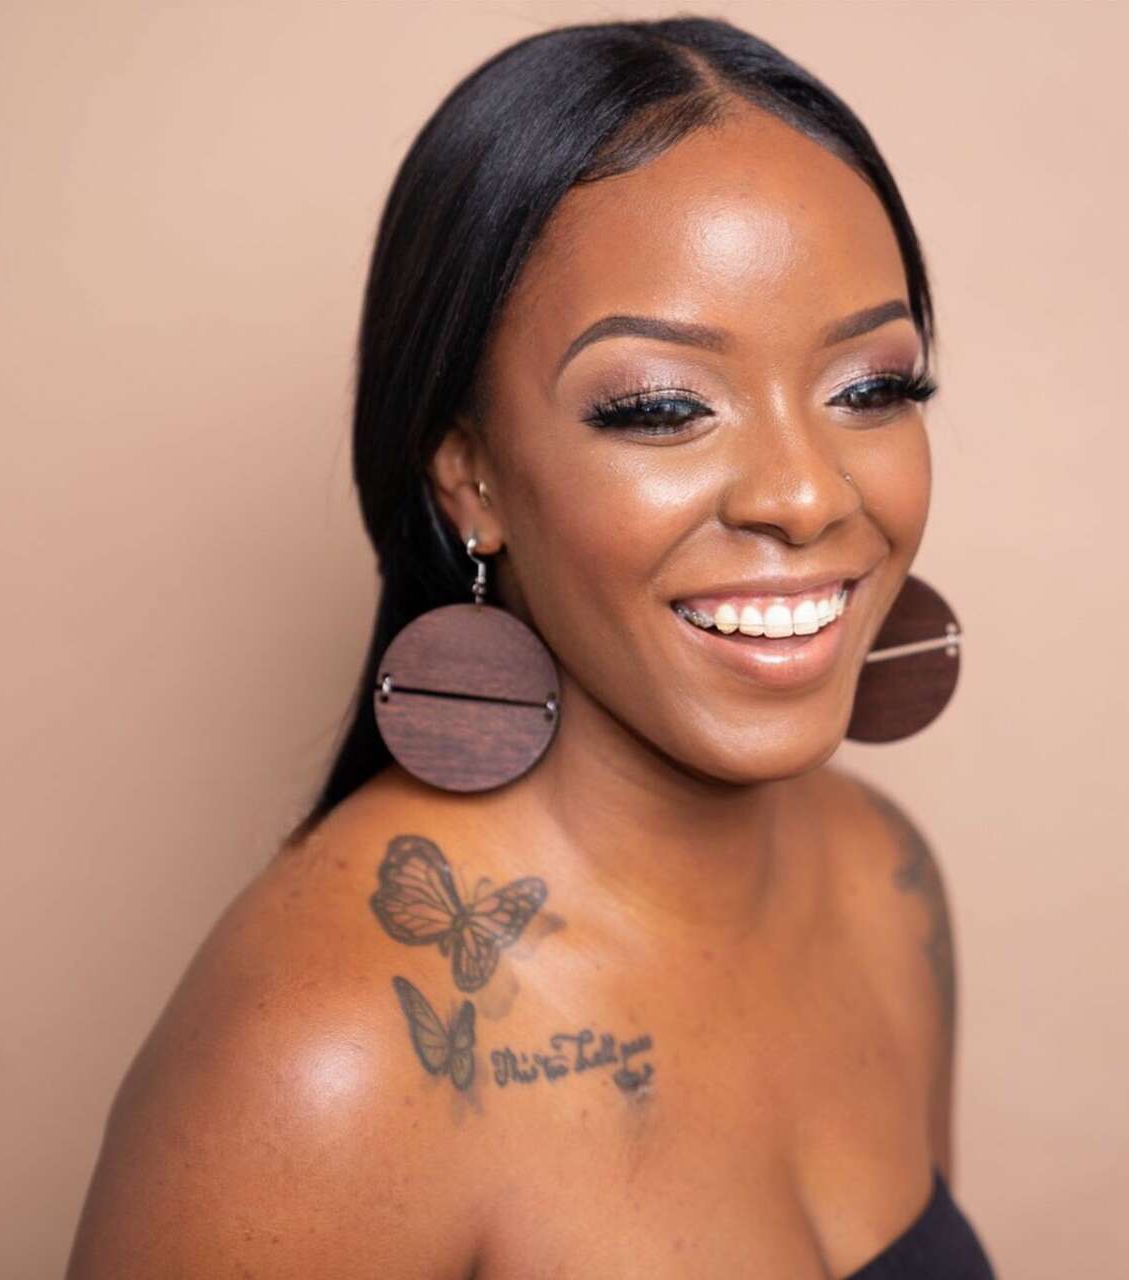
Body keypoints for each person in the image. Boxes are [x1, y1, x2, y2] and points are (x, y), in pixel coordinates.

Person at [67, 15, 993, 1278]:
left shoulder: (887, 886)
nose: (804, 493)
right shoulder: (325, 1066)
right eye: (662, 407)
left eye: (871, 389)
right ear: (470, 472)